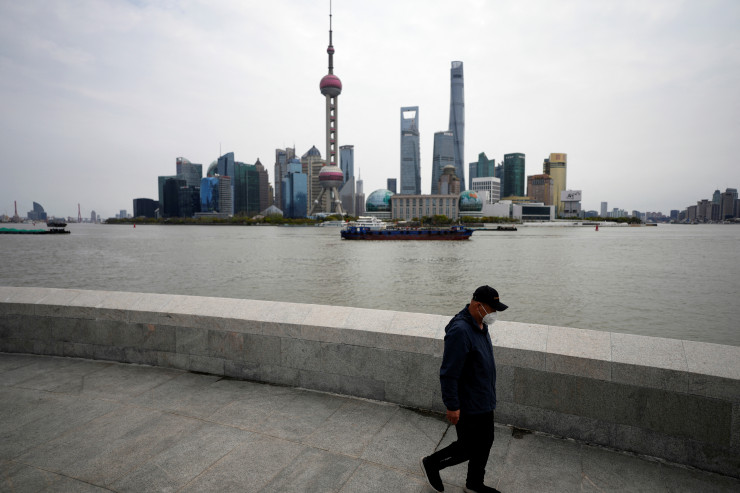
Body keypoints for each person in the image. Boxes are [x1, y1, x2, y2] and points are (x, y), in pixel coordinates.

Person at [420, 285, 508, 493]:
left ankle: (474, 483)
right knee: (468, 446)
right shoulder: (460, 331)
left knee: (486, 441)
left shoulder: (481, 324)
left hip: (484, 398)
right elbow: (449, 373)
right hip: (468, 402)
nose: (494, 314)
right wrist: (452, 405)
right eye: (492, 309)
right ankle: (432, 463)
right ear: (478, 306)